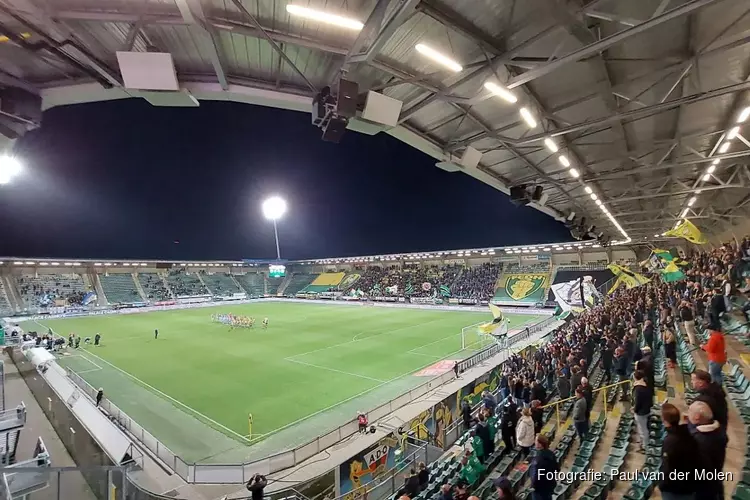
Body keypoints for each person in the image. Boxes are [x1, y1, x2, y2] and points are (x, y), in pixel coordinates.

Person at [687, 401, 726, 500]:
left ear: (697, 417)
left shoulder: (697, 440)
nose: (687, 413)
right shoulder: (720, 431)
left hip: (701, 487)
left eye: (689, 411)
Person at [658, 403, 698, 500]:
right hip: (690, 485)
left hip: (674, 489)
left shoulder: (670, 441)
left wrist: (662, 485)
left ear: (664, 420)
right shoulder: (689, 434)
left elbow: (668, 467)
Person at [529, 434, 558, 500]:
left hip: (540, 490)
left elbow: (535, 477)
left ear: (540, 444)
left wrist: (533, 486)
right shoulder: (551, 454)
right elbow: (557, 469)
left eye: (536, 441)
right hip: (550, 485)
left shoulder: (538, 460)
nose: (534, 442)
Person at [632, 370, 652, 453]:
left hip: (641, 413)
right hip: (647, 410)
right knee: (643, 429)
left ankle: (645, 447)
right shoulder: (646, 385)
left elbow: (638, 402)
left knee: (643, 430)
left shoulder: (638, 389)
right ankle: (643, 443)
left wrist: (634, 410)